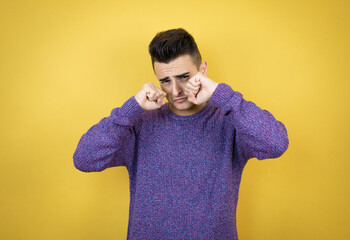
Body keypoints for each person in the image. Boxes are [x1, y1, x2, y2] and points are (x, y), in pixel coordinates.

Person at [73, 28, 289, 240]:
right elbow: (84, 159)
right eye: (165, 81)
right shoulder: (139, 123)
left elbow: (276, 143)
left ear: (203, 70)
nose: (175, 91)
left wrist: (221, 95)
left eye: (184, 77)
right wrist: (130, 109)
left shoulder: (229, 120)